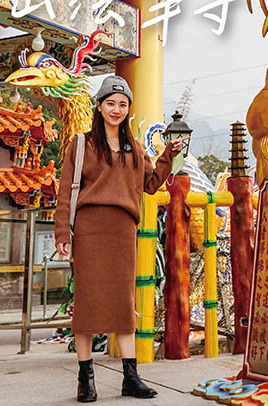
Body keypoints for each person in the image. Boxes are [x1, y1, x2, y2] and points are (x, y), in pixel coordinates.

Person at [54, 76, 186, 402]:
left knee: (124, 305)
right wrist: (62, 233)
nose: (116, 109)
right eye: (110, 103)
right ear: (99, 106)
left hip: (124, 231)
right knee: (86, 304)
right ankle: (86, 378)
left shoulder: (135, 148)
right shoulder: (82, 143)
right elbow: (65, 190)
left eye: (123, 104)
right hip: (88, 229)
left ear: (128, 110)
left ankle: (131, 377)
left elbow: (152, 184)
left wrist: (171, 154)